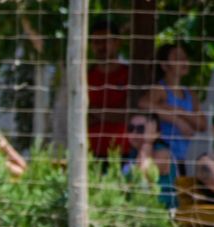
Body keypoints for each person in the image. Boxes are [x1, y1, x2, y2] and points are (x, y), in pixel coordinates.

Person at [138, 44, 207, 173]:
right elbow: (143, 103)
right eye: (177, 57)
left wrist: (179, 111)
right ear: (164, 66)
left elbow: (202, 124)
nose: (184, 61)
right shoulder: (160, 89)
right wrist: (176, 120)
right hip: (164, 154)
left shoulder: (190, 93)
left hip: (186, 157)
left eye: (185, 57)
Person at [87, 20, 130, 158]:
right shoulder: (85, 77)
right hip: (90, 153)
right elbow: (82, 117)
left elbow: (129, 114)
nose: (101, 46)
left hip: (125, 152)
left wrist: (95, 111)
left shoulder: (130, 75)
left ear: (117, 43)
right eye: (96, 42)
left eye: (106, 41)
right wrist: (112, 114)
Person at [121, 113, 179, 209]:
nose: (134, 133)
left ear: (155, 133)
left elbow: (142, 175)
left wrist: (148, 142)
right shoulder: (133, 153)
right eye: (131, 128)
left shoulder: (163, 152)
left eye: (141, 129)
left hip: (162, 212)